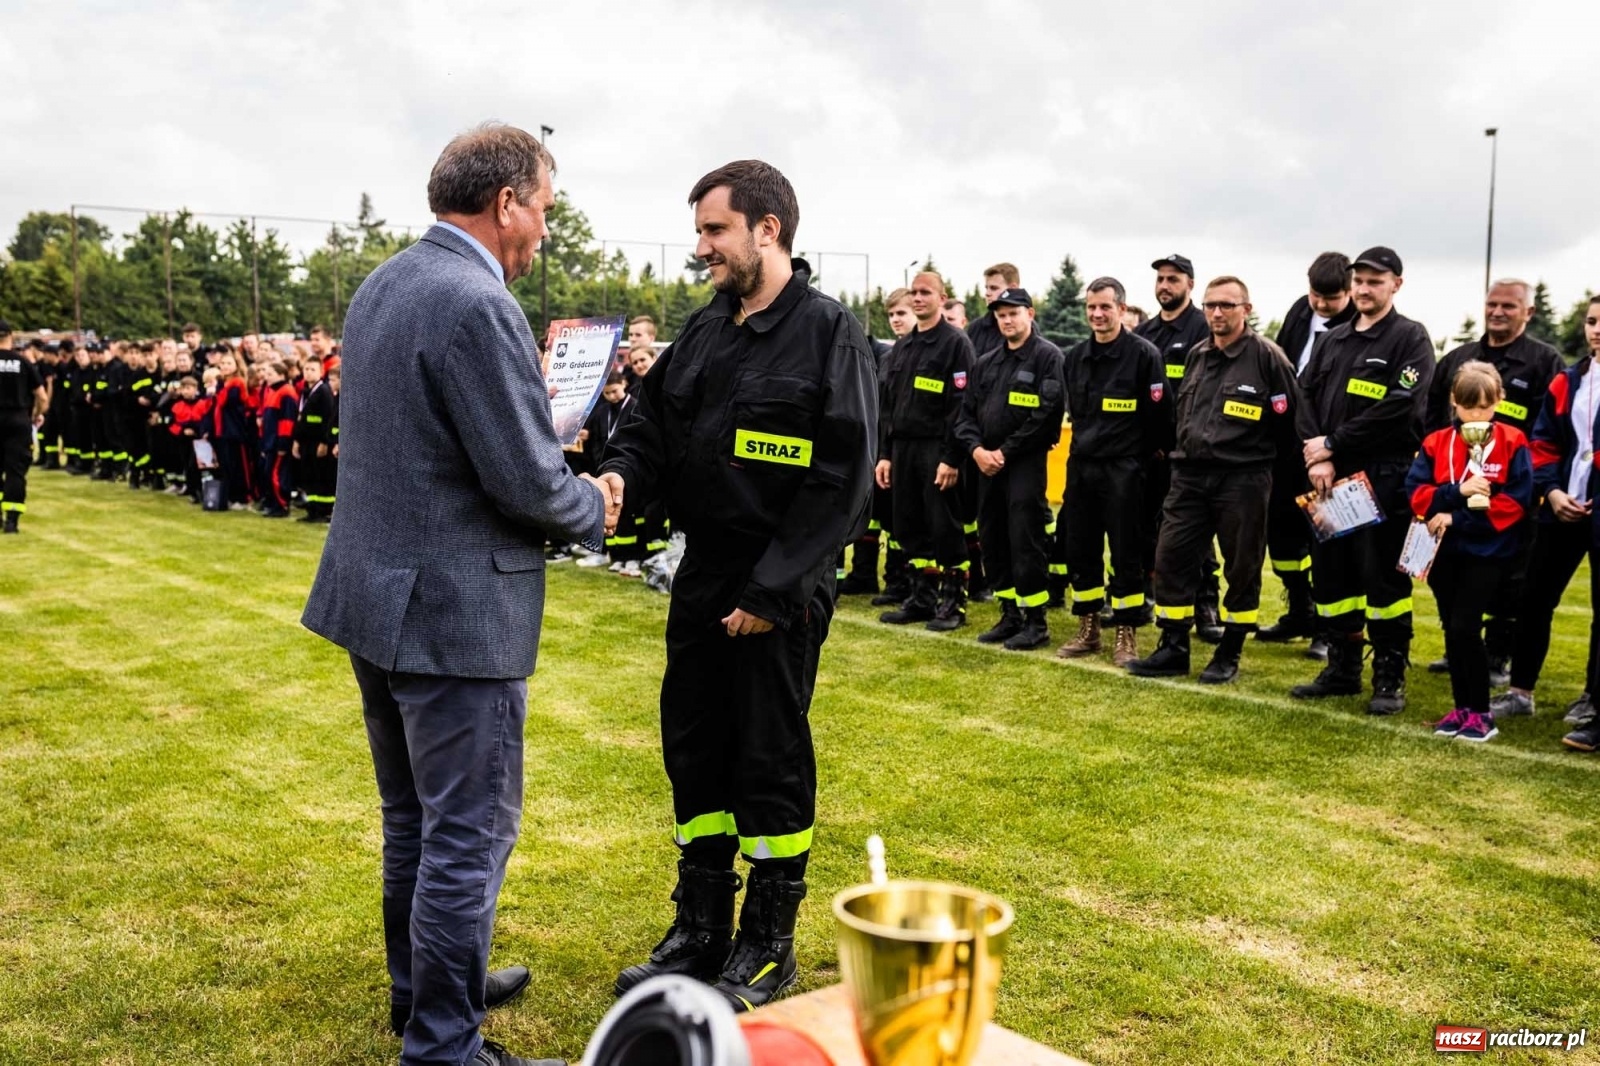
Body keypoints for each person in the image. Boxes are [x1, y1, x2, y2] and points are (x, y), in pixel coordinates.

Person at [303, 123, 611, 1066]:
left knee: (416, 822)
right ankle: (443, 1044)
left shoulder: (386, 282)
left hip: (379, 598)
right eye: (545, 210)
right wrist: (594, 502)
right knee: (466, 835)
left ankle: (426, 994)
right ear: (506, 202)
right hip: (451, 613)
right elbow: (527, 482)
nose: (546, 231)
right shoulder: (478, 303)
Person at [598, 159, 876, 1013]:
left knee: (768, 755)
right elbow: (649, 426)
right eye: (700, 232)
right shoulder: (705, 331)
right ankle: (701, 927)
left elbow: (841, 479)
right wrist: (618, 476)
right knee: (694, 746)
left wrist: (770, 591)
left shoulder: (831, 334)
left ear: (768, 228)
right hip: (703, 573)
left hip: (778, 587)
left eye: (714, 230)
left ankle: (767, 943)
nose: (701, 248)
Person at [1126, 277, 1312, 683]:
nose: (1216, 313)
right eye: (1210, 305)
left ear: (1246, 309)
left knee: (1241, 567)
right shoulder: (1198, 354)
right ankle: (1173, 646)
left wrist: (1268, 474)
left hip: (1242, 478)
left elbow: (1289, 426)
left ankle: (1230, 650)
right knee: (1171, 557)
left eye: (1226, 305)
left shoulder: (1268, 358)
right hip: (1189, 475)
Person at [1294, 247, 1434, 714]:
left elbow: (1401, 406)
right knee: (1333, 576)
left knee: (1384, 580)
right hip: (1329, 479)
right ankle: (1342, 668)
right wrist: (1317, 455)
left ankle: (1389, 676)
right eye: (1359, 280)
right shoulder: (1333, 339)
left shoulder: (1409, 338)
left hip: (1383, 474)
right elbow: (1304, 394)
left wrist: (1333, 442)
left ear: (1396, 284)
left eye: (1375, 281)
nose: (1364, 288)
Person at [1422, 280, 1565, 685]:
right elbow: (1432, 415)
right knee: (1450, 572)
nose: (1497, 312)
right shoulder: (1458, 358)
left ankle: (1498, 653)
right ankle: (1459, 644)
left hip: (1511, 493)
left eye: (1508, 305)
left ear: (1528, 312)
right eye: (1492, 304)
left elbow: (1549, 429)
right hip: (1454, 489)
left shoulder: (1544, 361)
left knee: (1508, 580)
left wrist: (1533, 483)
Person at [1407, 362, 1533, 744]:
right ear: (1453, 401)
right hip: (1443, 552)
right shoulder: (1436, 442)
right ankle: (1461, 707)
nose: (1476, 415)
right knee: (1452, 628)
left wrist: (1457, 518)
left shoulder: (1513, 441)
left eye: (1484, 407)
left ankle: (1481, 713)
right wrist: (1454, 493)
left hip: (1486, 551)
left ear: (1499, 401)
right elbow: (1416, 493)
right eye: (1467, 406)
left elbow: (1516, 502)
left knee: (1465, 625)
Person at [1054, 278, 1170, 666]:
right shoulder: (1075, 357)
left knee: (1127, 553)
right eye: (1091, 307)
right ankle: (1088, 628)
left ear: (1121, 308)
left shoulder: (1144, 355)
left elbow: (1160, 417)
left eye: (1105, 307)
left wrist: (1140, 463)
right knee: (1080, 548)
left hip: (1126, 470)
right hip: (1082, 468)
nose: (1097, 314)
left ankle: (1126, 631)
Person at [1501, 296, 1600, 740]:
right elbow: (1543, 442)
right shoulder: (1568, 380)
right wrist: (1553, 491)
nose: (1597, 330)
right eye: (1592, 321)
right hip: (1560, 508)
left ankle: (1593, 698)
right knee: (1534, 598)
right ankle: (1520, 692)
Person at [953, 287, 1065, 650]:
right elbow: (965, 415)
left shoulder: (1047, 357)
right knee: (993, 538)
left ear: (1030, 314)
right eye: (1000, 315)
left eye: (1013, 313)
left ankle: (1035, 621)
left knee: (1024, 539)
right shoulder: (986, 362)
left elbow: (1046, 415)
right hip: (986, 467)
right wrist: (977, 451)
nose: (1006, 320)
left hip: (1024, 466)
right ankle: (1009, 613)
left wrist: (1003, 452)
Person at [1257, 252, 1357, 654]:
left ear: (1349, 291)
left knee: (1328, 540)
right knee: (1282, 536)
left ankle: (1328, 631)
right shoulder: (1300, 311)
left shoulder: (1358, 325)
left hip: (1330, 448)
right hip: (1287, 444)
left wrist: (1327, 446)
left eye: (1331, 298)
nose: (1321, 304)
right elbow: (1280, 365)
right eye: (1316, 295)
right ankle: (1300, 609)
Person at [876, 271, 975, 630]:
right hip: (903, 449)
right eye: (914, 292)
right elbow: (889, 407)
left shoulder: (955, 344)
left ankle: (953, 603)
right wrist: (886, 454)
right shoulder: (904, 347)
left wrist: (951, 458)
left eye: (925, 292)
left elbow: (963, 405)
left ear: (941, 298)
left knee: (944, 526)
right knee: (909, 524)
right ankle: (921, 598)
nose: (918, 298)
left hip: (938, 449)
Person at [1135, 254, 1223, 641]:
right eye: (1160, 279)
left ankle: (1206, 605)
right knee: (1147, 529)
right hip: (1150, 454)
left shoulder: (1205, 329)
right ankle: (1145, 596)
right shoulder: (1146, 333)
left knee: (1197, 535)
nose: (1165, 286)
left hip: (1191, 455)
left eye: (1173, 279)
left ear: (1190, 284)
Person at [847, 287, 916, 602]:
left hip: (909, 450)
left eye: (901, 313)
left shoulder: (917, 354)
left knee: (902, 521)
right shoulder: (892, 355)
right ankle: (872, 576)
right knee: (876, 515)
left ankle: (903, 582)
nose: (895, 320)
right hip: (882, 448)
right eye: (891, 314)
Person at [1, 320, 48, 533]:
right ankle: (12, 520)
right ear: (10, 336)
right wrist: (36, 415)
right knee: (16, 472)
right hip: (18, 421)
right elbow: (42, 397)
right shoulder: (23, 362)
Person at [293, 357, 337, 522]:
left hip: (317, 441)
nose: (308, 373)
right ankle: (312, 510)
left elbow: (328, 419)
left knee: (319, 477)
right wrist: (297, 440)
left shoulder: (323, 392)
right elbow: (303, 419)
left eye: (313, 369)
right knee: (309, 476)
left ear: (321, 372)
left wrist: (324, 442)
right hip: (306, 441)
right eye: (306, 369)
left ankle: (322, 511)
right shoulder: (306, 392)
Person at [966, 262, 1019, 363]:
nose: (987, 293)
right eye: (986, 288)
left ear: (1013, 289)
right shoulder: (975, 328)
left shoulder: (1025, 328)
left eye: (994, 288)